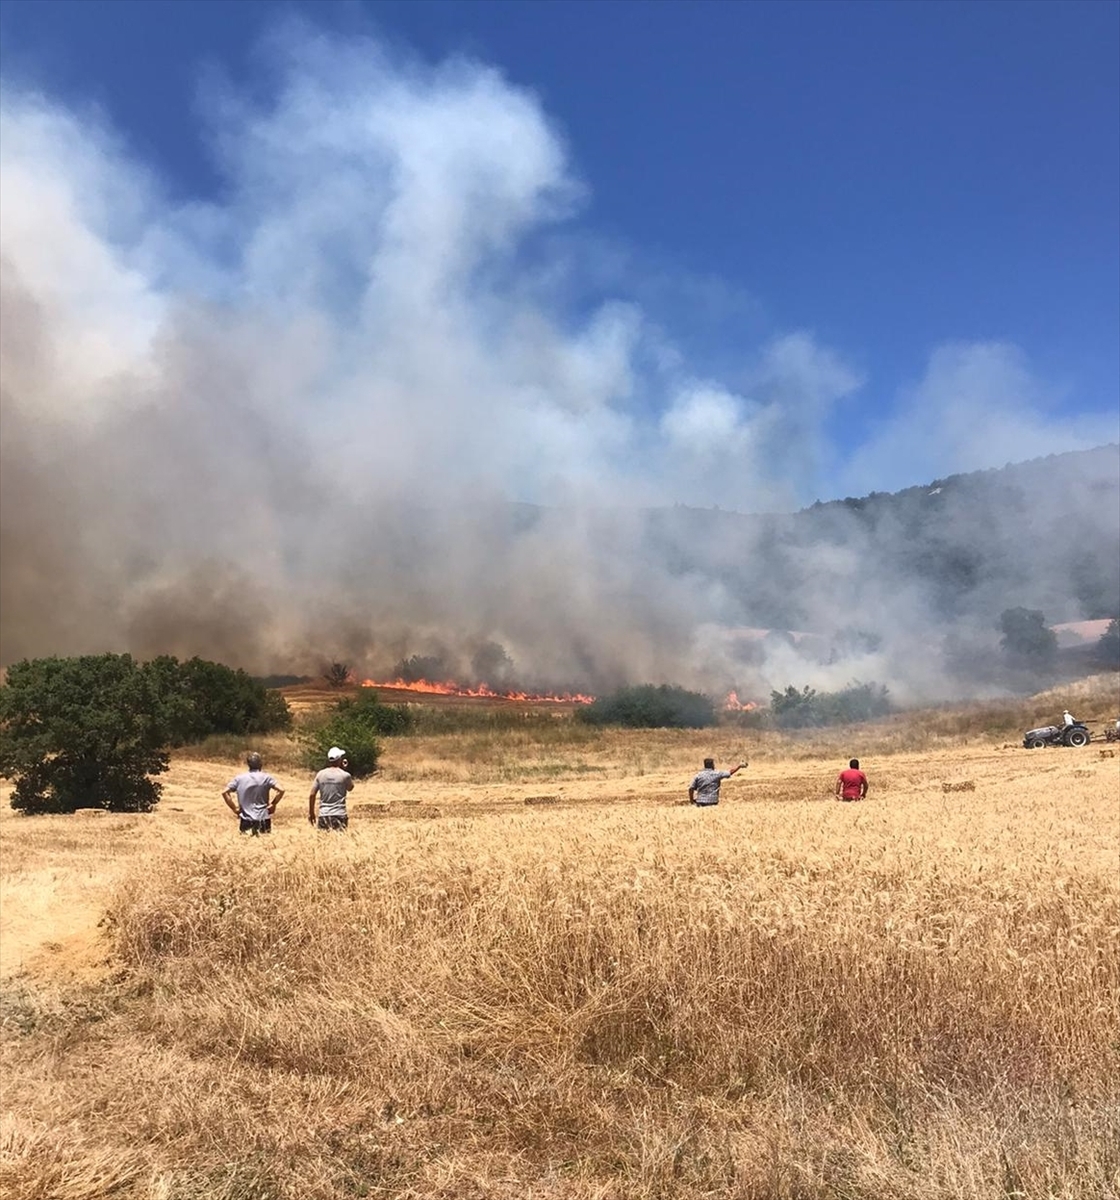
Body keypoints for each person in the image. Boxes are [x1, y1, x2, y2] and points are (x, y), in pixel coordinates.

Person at [222, 752, 285, 835]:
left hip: (246, 819)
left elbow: (225, 792)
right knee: (264, 844)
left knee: (246, 844)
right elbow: (281, 790)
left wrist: (234, 808)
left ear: (248, 764)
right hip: (263, 819)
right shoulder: (266, 777)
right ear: (260, 764)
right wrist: (273, 804)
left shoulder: (239, 778)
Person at [309, 746, 355, 831]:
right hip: (340, 814)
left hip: (323, 814)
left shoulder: (320, 774)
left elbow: (312, 794)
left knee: (323, 842)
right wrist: (344, 769)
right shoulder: (345, 775)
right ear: (340, 760)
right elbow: (350, 788)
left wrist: (311, 813)